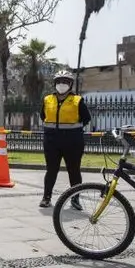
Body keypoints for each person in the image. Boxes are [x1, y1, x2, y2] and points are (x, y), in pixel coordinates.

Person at [38, 70, 91, 209]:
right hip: (51, 141)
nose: (62, 84)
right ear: (55, 83)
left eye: (65, 82)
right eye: (59, 81)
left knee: (74, 171)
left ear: (70, 84)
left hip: (73, 141)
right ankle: (46, 198)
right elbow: (43, 116)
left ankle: (75, 199)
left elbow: (86, 118)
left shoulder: (77, 100)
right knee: (51, 170)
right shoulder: (47, 99)